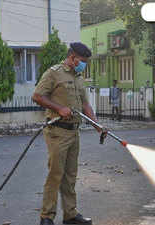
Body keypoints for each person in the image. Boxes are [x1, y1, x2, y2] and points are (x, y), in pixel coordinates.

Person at [32, 42, 104, 225]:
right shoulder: (54, 73)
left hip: (74, 132)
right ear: (72, 57)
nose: (83, 65)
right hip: (57, 131)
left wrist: (97, 125)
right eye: (81, 61)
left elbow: (85, 104)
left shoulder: (78, 77)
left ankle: (70, 215)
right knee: (56, 174)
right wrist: (59, 108)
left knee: (70, 175)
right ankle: (46, 217)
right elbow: (38, 96)